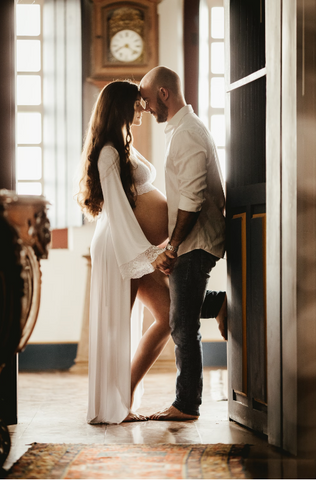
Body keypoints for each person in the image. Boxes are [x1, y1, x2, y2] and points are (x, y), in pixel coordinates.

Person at [76, 80, 171, 424]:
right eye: (137, 104)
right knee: (117, 326)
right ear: (121, 106)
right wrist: (150, 253)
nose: (143, 109)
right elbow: (117, 210)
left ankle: (123, 397)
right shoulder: (108, 153)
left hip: (130, 245)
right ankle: (116, 405)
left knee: (168, 316)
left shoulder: (121, 144)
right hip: (120, 246)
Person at [140, 66, 227, 421]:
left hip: (195, 241)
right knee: (181, 308)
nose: (145, 108)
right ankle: (219, 304)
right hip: (189, 241)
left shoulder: (187, 133)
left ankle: (186, 404)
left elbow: (192, 198)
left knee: (181, 324)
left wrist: (172, 246)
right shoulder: (180, 130)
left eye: (146, 99)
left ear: (164, 93)